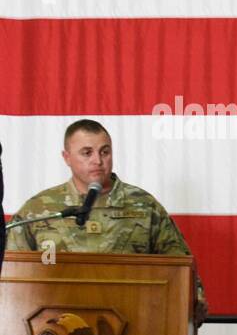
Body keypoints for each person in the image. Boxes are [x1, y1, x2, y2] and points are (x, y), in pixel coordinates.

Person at [8, 120, 207, 322]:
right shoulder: (40, 209)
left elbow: (181, 267)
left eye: (105, 152)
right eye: (87, 153)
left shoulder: (144, 206)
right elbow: (10, 272)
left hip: (134, 324)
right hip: (56, 326)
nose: (98, 160)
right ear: (66, 157)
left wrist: (194, 302)